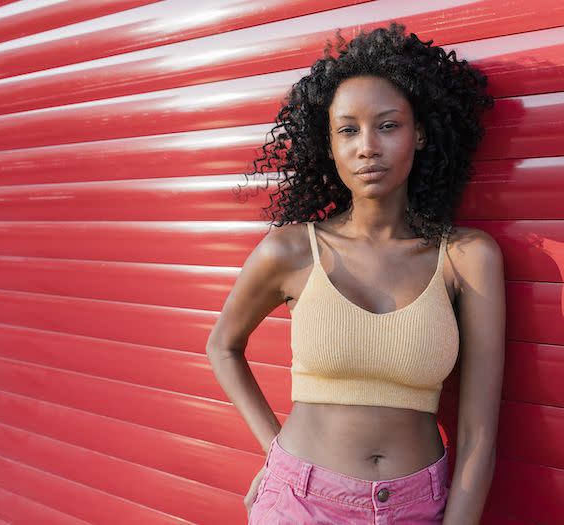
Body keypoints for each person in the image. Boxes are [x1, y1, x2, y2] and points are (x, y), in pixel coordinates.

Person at [206, 22, 505, 524]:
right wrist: (274, 452)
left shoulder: (467, 257)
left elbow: (479, 435)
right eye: (348, 130)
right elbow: (223, 346)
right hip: (299, 502)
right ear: (329, 145)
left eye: (388, 125)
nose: (367, 146)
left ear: (421, 133)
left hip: (417, 507)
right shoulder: (292, 250)